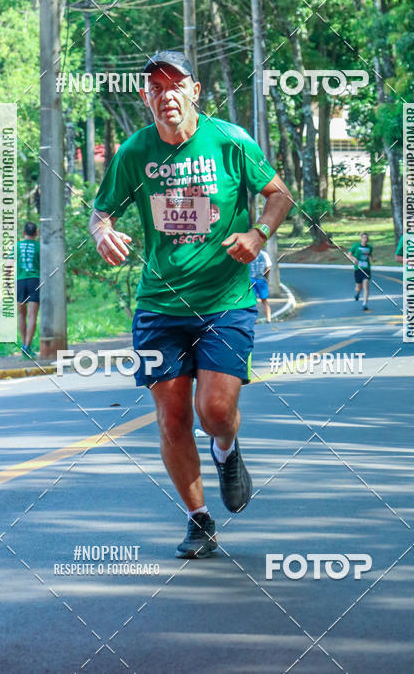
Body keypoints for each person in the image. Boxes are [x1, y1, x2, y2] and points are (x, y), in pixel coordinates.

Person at [89, 50, 293, 559]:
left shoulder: (230, 141)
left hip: (225, 302)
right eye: (156, 88)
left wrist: (259, 233)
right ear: (146, 98)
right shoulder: (134, 153)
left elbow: (279, 194)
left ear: (194, 91)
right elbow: (101, 214)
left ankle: (226, 450)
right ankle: (198, 519)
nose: (166, 95)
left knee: (215, 410)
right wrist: (102, 234)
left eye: (175, 84)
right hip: (159, 306)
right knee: (172, 418)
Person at [13, 222, 41, 358]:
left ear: (23, 233)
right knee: (32, 316)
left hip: (20, 281)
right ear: (36, 233)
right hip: (35, 280)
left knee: (21, 315)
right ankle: (27, 346)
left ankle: (24, 344)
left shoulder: (16, 246)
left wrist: (7, 284)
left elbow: (8, 266)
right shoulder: (40, 246)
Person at [346, 232, 373, 311]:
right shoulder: (356, 246)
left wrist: (372, 258)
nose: (365, 239)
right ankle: (357, 293)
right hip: (358, 269)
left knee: (366, 287)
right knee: (358, 287)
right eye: (364, 238)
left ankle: (364, 304)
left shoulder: (370, 247)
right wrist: (354, 259)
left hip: (366, 269)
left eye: (366, 238)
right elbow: (349, 254)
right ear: (361, 238)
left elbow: (370, 255)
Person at [249, 248, 272, 323]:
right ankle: (268, 318)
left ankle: (254, 319)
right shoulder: (264, 254)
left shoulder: (249, 253)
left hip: (251, 279)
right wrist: (266, 276)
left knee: (253, 301)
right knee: (264, 300)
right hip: (261, 279)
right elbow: (268, 267)